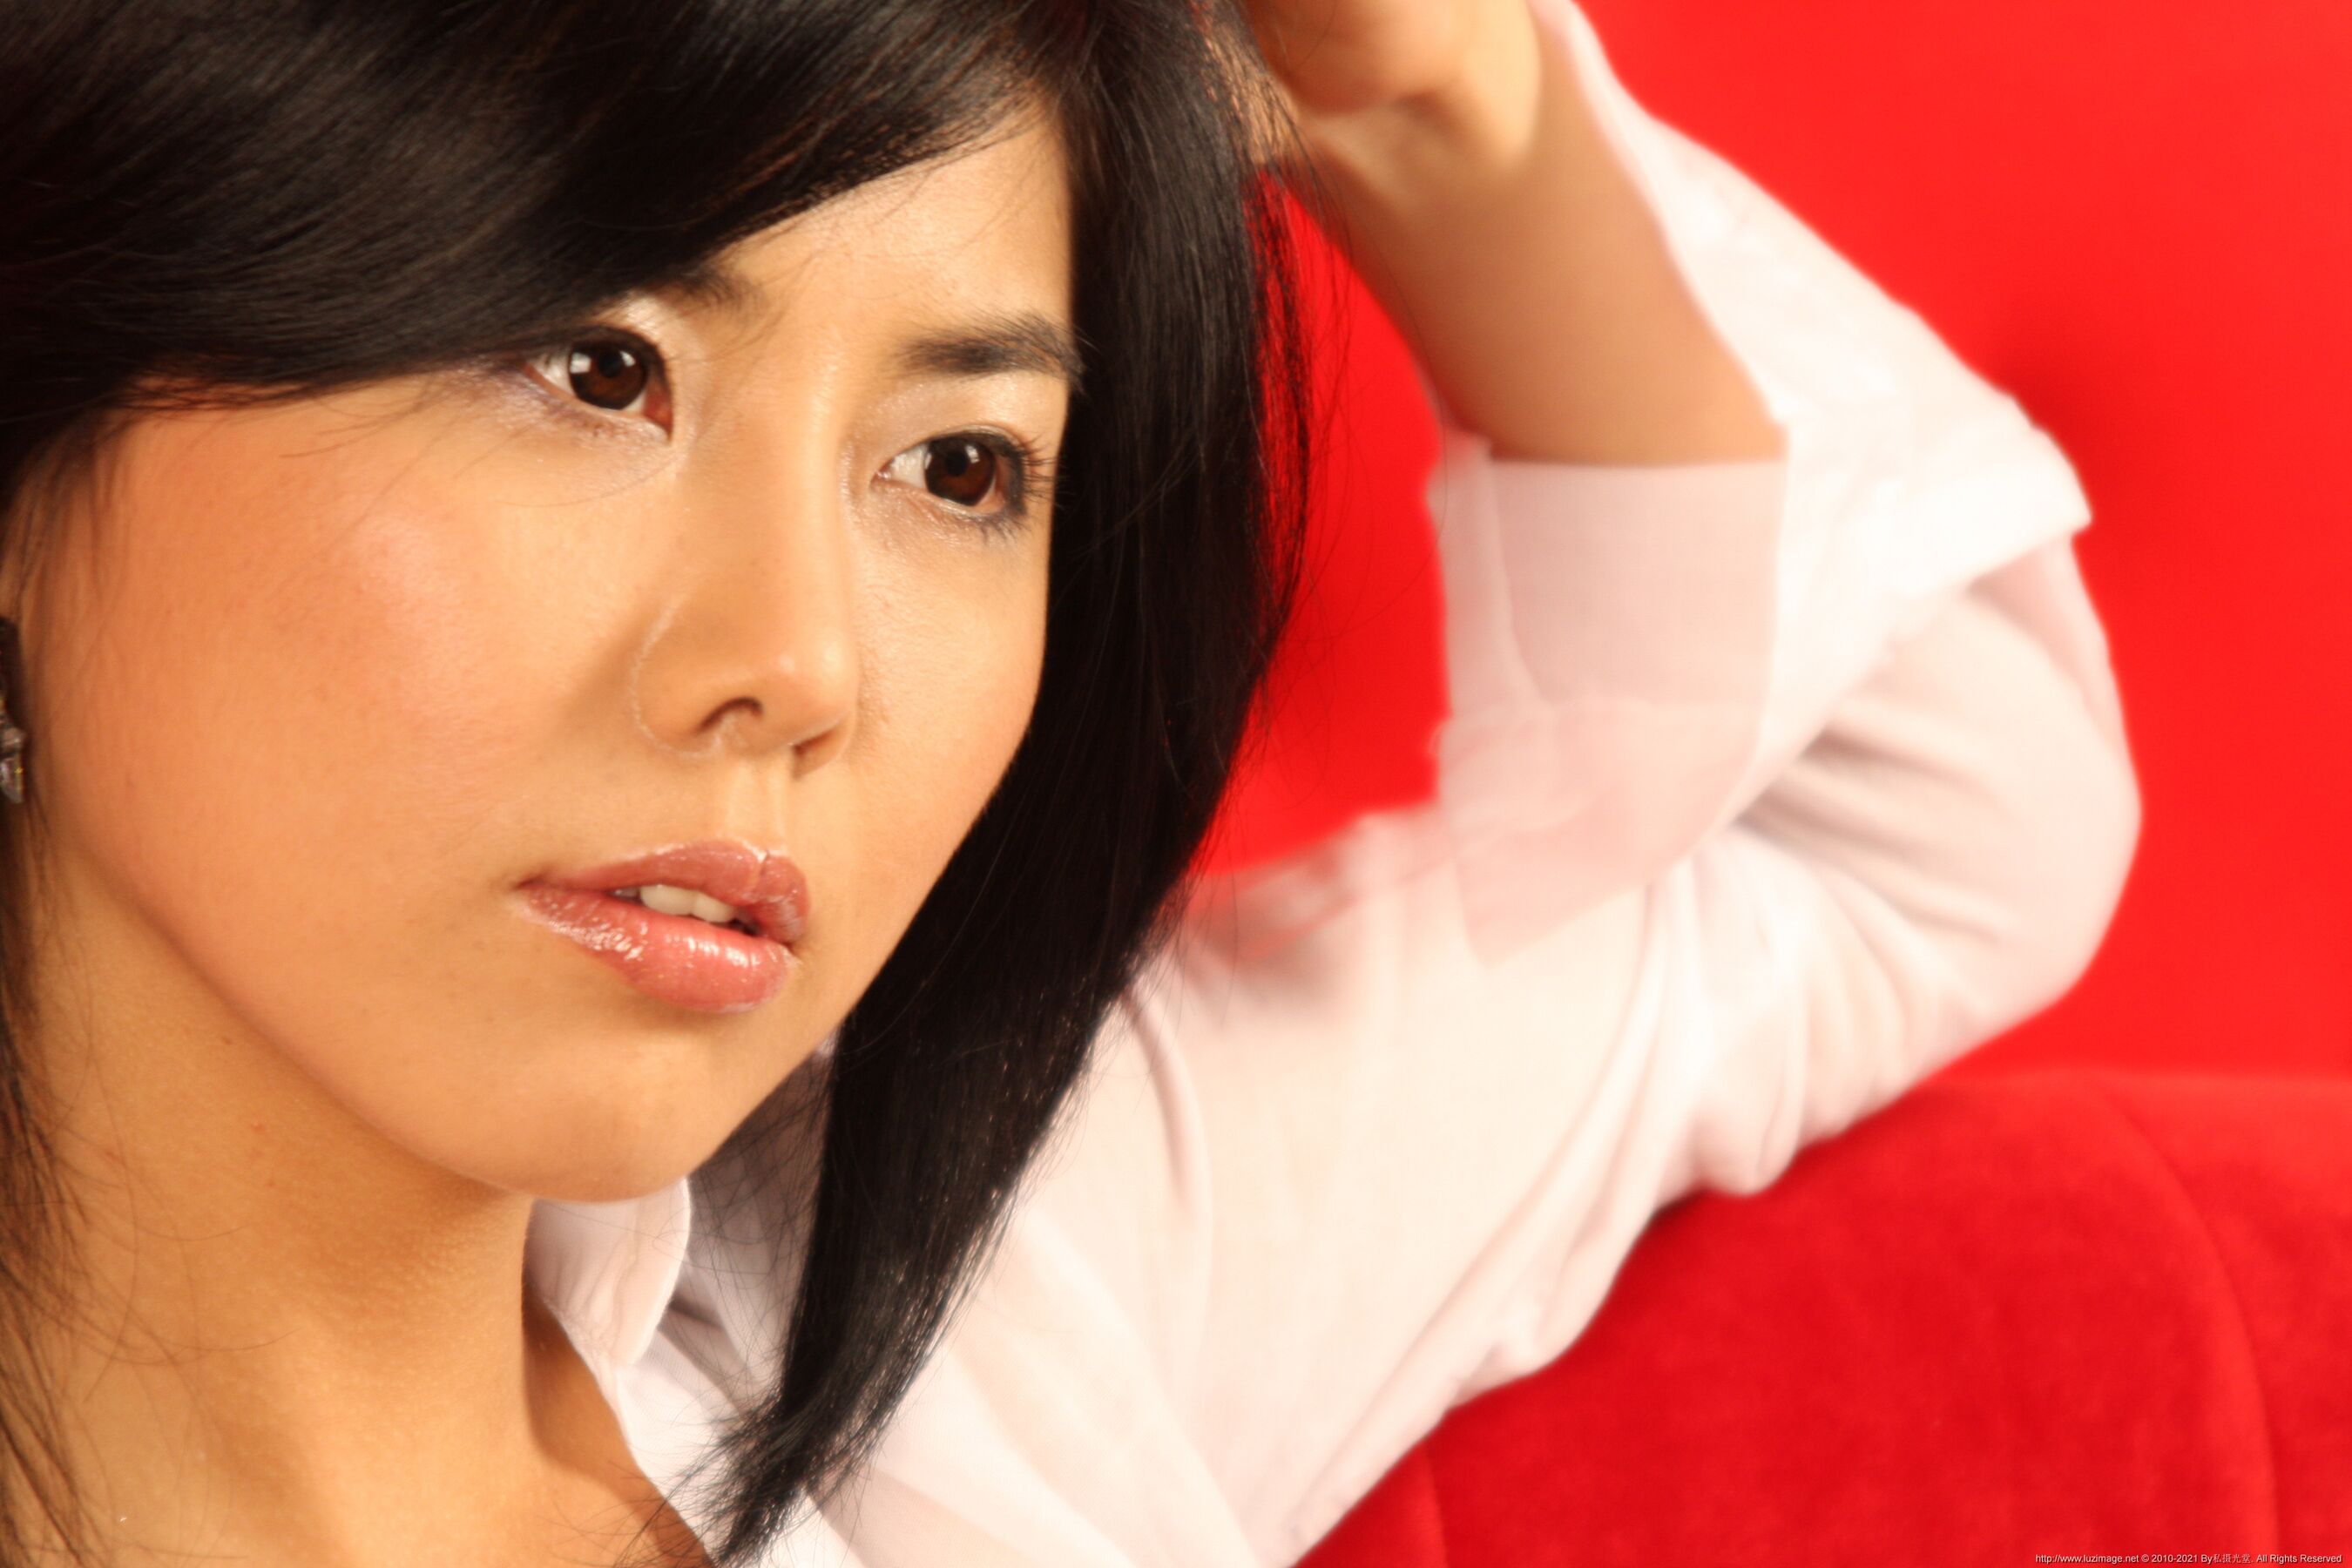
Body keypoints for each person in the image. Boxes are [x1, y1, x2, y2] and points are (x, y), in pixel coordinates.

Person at [0, 0, 2140, 1562]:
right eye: (599, 370)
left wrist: (1451, 109)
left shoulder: (969, 1347)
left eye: (958, 467)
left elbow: (1911, 829)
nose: (801, 663)